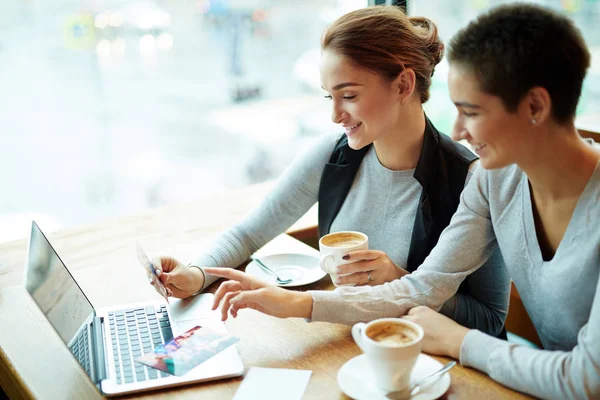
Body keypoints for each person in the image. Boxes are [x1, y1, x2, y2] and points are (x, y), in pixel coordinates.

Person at [205, 4, 600, 399]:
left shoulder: (473, 175)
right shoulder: (492, 181)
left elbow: (586, 379)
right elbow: (422, 288)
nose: (459, 131)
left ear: (535, 107)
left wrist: (458, 342)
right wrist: (297, 303)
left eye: (472, 112)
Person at [152, 6, 510, 336]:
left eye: (349, 96)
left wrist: (403, 282)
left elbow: (491, 320)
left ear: (403, 84)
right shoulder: (334, 153)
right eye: (329, 97)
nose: (335, 115)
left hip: (429, 363)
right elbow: (248, 234)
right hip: (349, 340)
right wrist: (197, 275)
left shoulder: (471, 180)